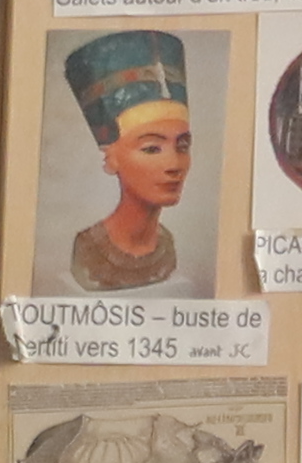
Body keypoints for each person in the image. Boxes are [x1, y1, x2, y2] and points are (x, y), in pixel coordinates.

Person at [54, 29, 205, 297]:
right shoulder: (90, 249)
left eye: (182, 146)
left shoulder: (166, 247)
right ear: (111, 157)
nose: (174, 164)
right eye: (151, 148)